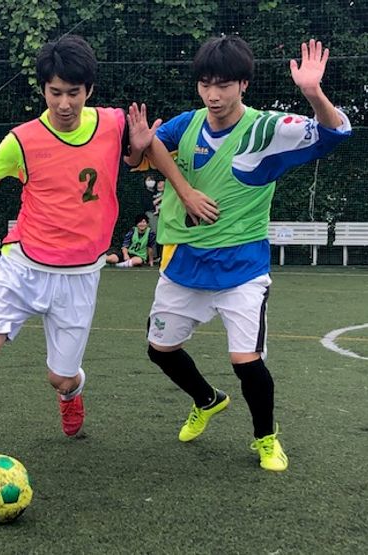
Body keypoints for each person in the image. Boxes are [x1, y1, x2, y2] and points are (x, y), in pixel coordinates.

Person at [0, 34, 217, 473]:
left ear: (89, 90)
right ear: (43, 90)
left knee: (61, 378)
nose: (64, 103)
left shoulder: (112, 123)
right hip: (22, 268)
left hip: (79, 277)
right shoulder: (21, 140)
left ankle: (71, 394)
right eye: (55, 93)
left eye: (73, 93)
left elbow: (145, 153)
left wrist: (163, 169)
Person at [146, 37, 351, 472]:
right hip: (185, 261)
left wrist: (313, 93)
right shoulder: (186, 125)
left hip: (242, 267)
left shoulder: (267, 130)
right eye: (205, 84)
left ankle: (266, 437)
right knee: (159, 349)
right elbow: (146, 149)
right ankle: (207, 400)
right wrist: (178, 185)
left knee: (246, 361)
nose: (213, 95)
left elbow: (335, 132)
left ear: (243, 84)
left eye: (223, 85)